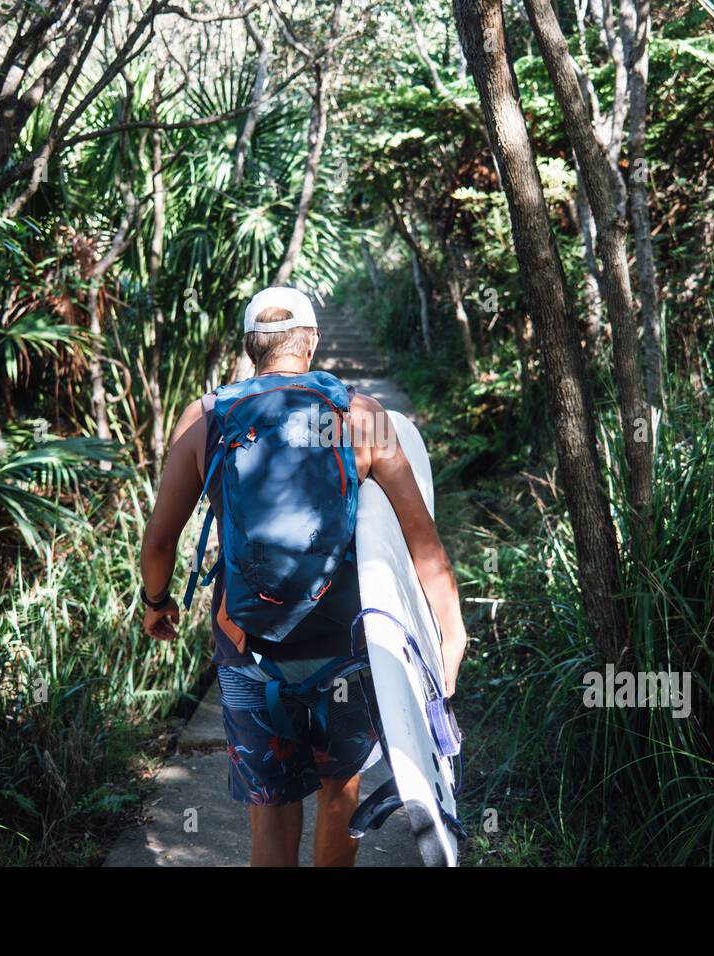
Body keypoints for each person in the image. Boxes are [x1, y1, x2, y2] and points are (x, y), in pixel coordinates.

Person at [139, 286, 468, 867]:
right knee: (339, 802)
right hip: (344, 647)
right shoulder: (362, 416)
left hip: (248, 649)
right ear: (311, 341)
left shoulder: (207, 417)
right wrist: (449, 631)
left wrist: (156, 602)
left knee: (271, 817)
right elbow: (422, 543)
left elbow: (160, 539)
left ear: (249, 349)